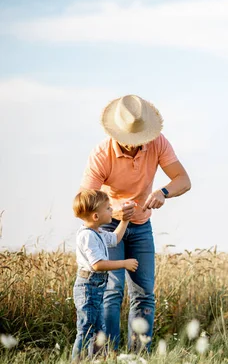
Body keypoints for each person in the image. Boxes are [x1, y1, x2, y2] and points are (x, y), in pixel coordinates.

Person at [79, 94, 191, 352]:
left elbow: (183, 180)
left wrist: (163, 193)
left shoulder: (158, 142)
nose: (134, 145)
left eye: (138, 139)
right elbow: (86, 200)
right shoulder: (101, 154)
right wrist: (116, 208)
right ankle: (107, 353)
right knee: (112, 291)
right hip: (108, 228)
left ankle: (139, 355)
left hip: (141, 226)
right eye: (129, 140)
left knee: (144, 294)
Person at [71, 190, 139, 362]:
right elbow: (98, 264)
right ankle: (77, 361)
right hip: (88, 288)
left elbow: (115, 238)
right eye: (108, 208)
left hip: (97, 288)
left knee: (99, 329)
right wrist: (123, 263)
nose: (111, 211)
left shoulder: (98, 232)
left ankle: (97, 360)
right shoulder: (87, 236)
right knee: (86, 328)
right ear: (96, 216)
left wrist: (124, 220)